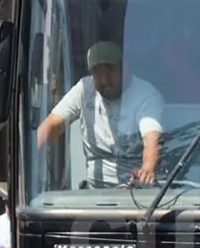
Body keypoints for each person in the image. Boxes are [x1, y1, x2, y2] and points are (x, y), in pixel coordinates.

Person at [37, 41, 165, 188]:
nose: (104, 80)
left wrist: (147, 167)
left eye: (110, 70)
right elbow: (51, 126)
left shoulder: (146, 95)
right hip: (95, 193)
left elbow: (152, 137)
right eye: (97, 72)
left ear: (124, 68)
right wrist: (24, 180)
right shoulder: (84, 89)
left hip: (137, 190)